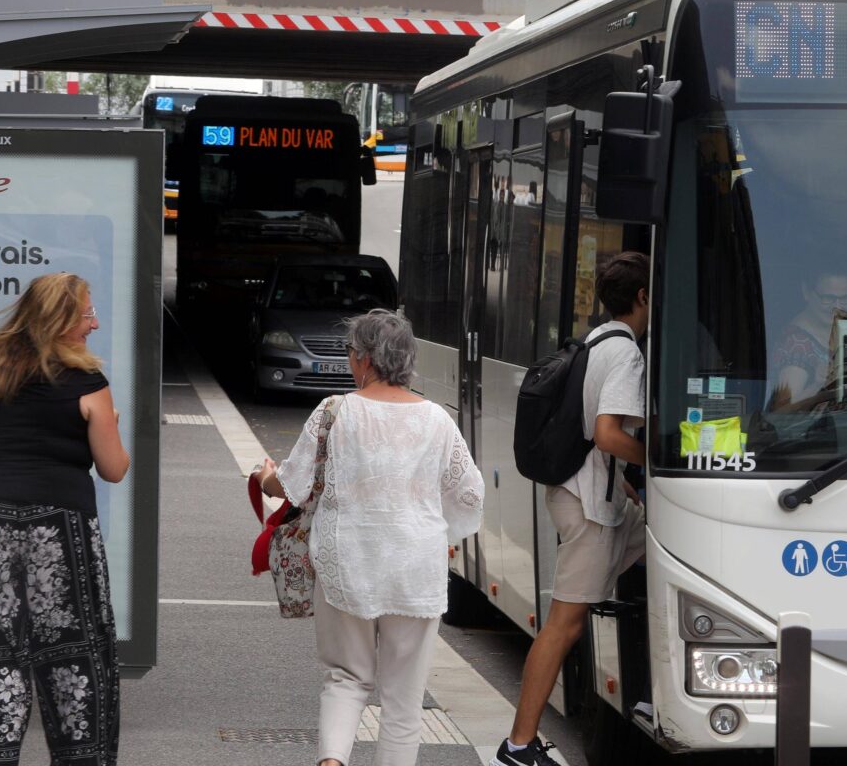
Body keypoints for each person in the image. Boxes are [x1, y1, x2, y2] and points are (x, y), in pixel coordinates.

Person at [252, 309, 484, 766]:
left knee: (347, 677)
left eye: (350, 352)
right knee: (403, 701)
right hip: (415, 570)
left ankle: (331, 762)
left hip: (347, 562)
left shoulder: (334, 411)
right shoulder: (437, 419)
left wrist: (264, 477)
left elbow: (292, 485)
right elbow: (469, 493)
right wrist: (430, 522)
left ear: (363, 358)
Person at [0, 272, 131, 765]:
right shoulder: (88, 384)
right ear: (61, 320)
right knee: (73, 650)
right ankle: (80, 755)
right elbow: (113, 468)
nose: (94, 324)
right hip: (62, 527)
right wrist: (111, 425)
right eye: (87, 315)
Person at [493, 251, 650, 766]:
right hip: (589, 510)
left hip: (591, 497)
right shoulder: (625, 353)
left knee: (664, 547)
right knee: (564, 625)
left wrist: (623, 483)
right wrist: (657, 461)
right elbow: (606, 434)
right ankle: (517, 747)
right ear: (643, 297)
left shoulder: (597, 339)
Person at [768, 268, 847, 409]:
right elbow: (782, 410)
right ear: (806, 292)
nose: (837, 307)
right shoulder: (796, 344)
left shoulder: (841, 328)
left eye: (845, 299)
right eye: (828, 298)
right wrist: (818, 385)